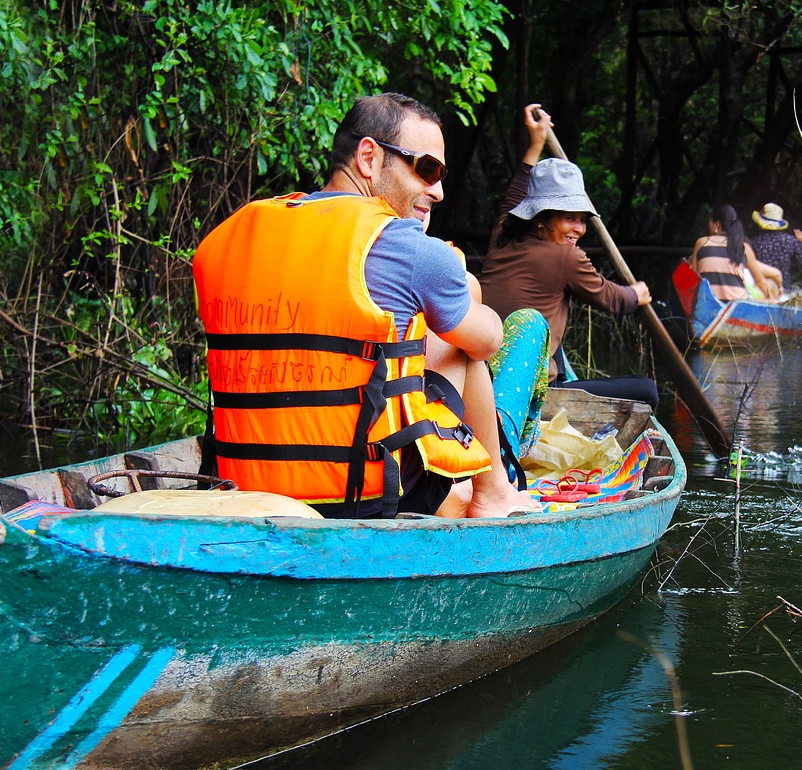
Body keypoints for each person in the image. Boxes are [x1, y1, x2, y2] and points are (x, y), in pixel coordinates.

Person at [193, 92, 540, 520]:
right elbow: (487, 341)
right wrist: (463, 285)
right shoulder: (408, 246)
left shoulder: (232, 236)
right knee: (464, 343)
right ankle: (494, 495)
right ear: (369, 157)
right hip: (364, 496)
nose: (439, 191)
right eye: (427, 169)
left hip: (241, 485)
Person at [479, 104, 659, 408]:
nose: (578, 228)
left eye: (582, 219)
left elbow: (515, 193)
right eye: (568, 218)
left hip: (483, 378)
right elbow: (611, 298)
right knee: (647, 390)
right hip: (528, 389)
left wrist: (536, 143)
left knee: (554, 348)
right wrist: (635, 295)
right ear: (541, 218)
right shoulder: (566, 256)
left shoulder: (502, 235)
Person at [690, 204, 783, 301]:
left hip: (707, 301)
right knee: (770, 286)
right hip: (737, 304)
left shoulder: (702, 243)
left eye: (710, 221)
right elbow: (760, 280)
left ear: (717, 224)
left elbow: (693, 278)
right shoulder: (743, 247)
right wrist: (773, 300)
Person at [751, 202, 802, 289]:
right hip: (783, 289)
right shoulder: (791, 241)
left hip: (761, 288)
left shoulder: (754, 242)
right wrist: (800, 245)